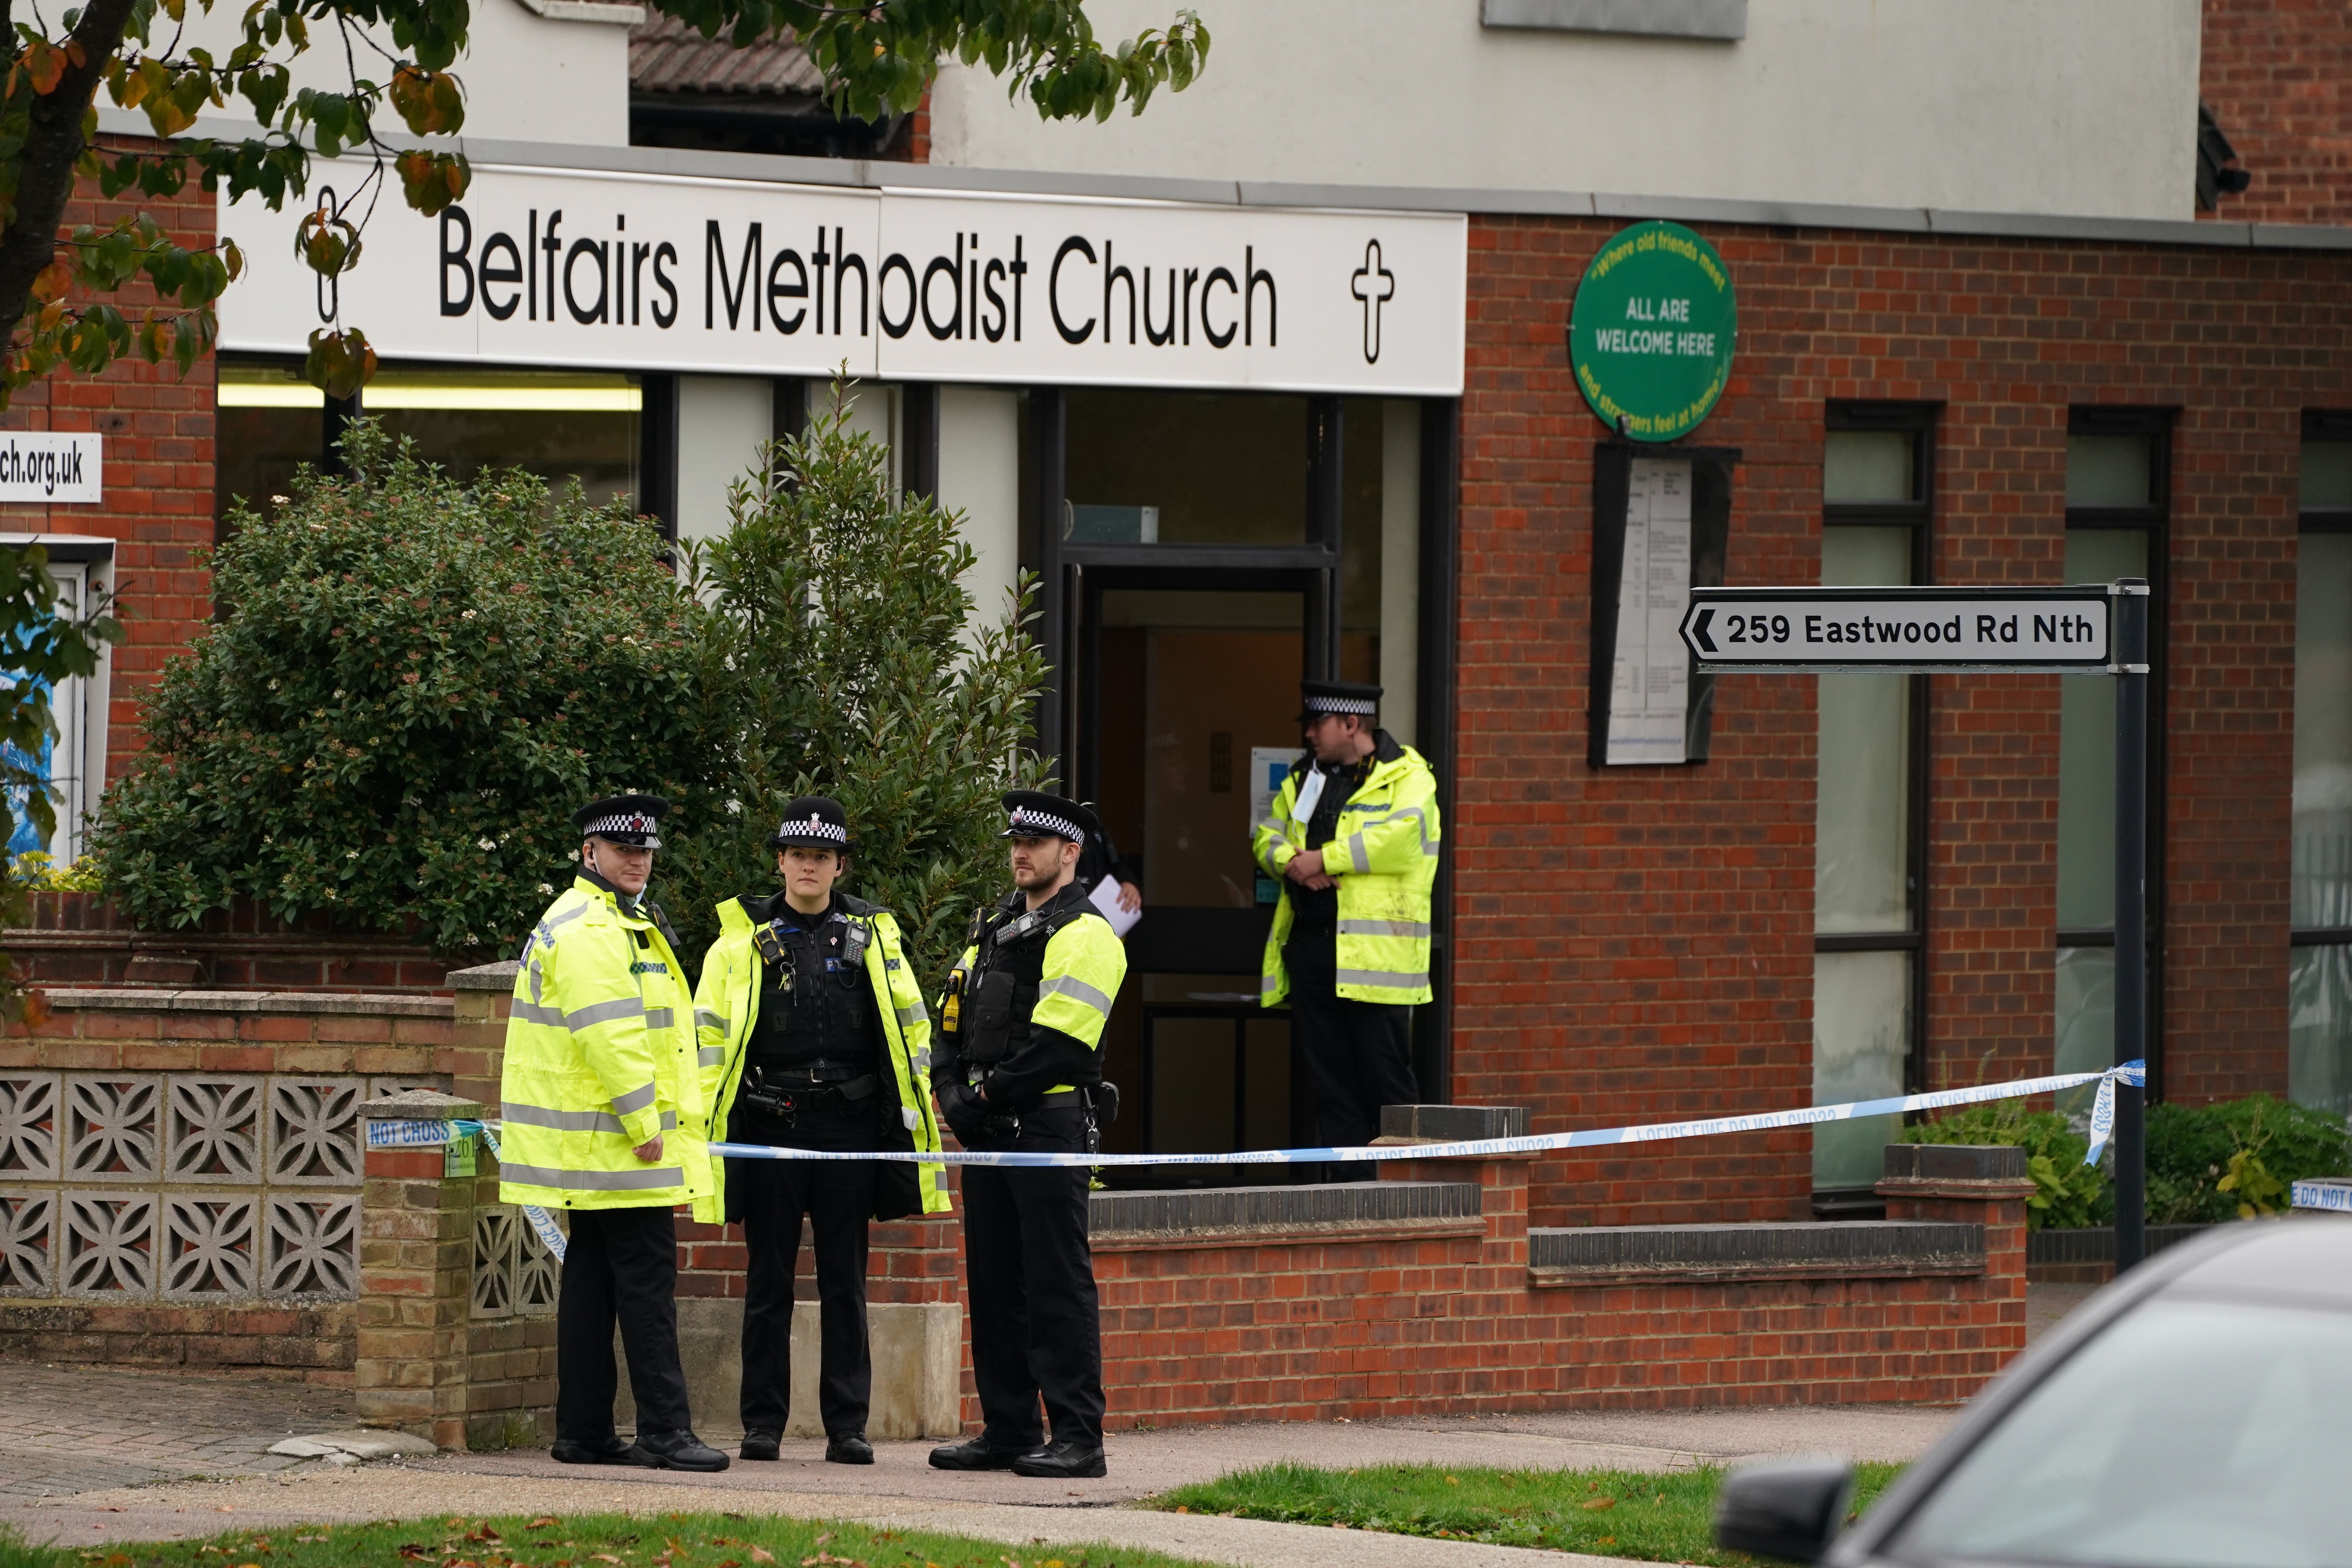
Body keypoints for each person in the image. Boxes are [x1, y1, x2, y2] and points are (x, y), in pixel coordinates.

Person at [690, 797, 948, 1466]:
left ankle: (847, 1428)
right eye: (798, 854)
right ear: (781, 861)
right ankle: (761, 1426)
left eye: (822, 856)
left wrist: (909, 1115)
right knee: (767, 1284)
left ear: (839, 865)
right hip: (770, 1125)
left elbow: (913, 1031)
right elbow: (707, 1041)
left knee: (845, 1284)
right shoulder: (737, 942)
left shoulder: (875, 938)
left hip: (849, 1127)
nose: (810, 866)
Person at [499, 793, 726, 1473]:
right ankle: (665, 1431)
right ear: (589, 853)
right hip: (621, 1142)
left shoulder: (606, 918)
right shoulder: (593, 928)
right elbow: (610, 1032)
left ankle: (584, 1431)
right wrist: (644, 1119)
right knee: (649, 1285)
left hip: (597, 1143)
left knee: (594, 1286)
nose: (637, 860)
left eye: (645, 850)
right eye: (624, 850)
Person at [927, 791, 1128, 1480]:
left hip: (1046, 1125)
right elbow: (947, 1016)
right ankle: (1008, 1430)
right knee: (996, 1286)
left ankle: (1078, 1437)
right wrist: (955, 1095)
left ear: (1069, 855)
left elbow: (1062, 1047)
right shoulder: (997, 927)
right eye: (1016, 841)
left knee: (1055, 1286)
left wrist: (984, 1095)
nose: (1021, 852)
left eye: (1037, 844)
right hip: (989, 1129)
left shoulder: (1086, 932)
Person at [1251, 681, 1442, 1152]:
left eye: (1319, 724)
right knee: (1331, 1088)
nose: (1311, 735)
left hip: (1379, 960)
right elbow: (1266, 837)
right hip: (1314, 949)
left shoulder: (1409, 775)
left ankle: (1407, 1204)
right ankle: (1350, 1197)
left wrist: (1324, 859)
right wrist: (1292, 864)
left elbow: (1400, 842)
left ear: (1352, 724)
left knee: (1388, 1086)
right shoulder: (1302, 778)